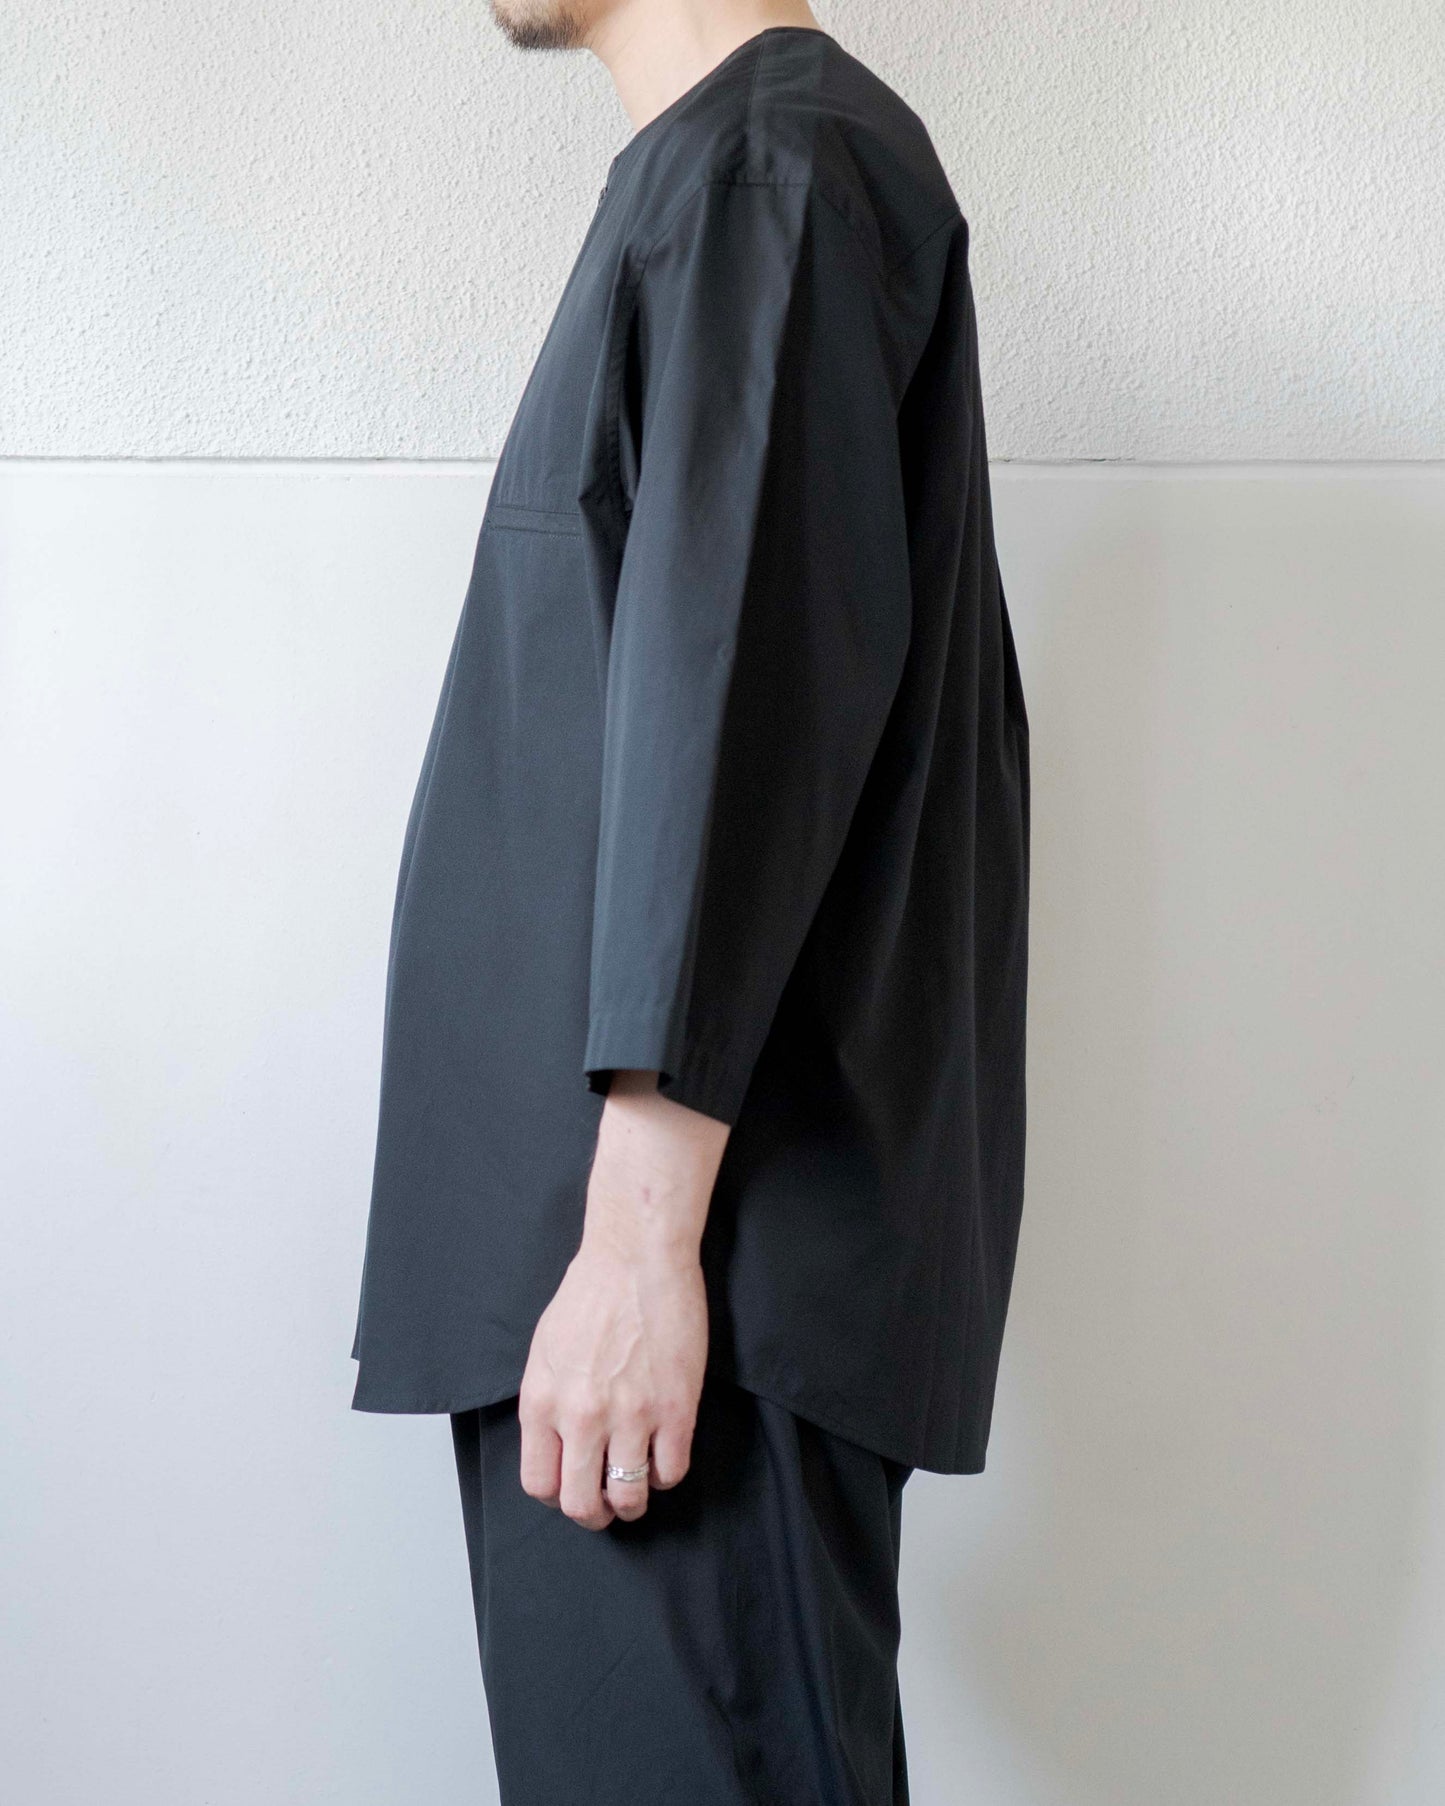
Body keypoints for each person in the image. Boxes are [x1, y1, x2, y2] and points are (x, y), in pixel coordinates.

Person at [348, 2, 1031, 1799]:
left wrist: (639, 1248)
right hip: (642, 1272)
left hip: (683, 1282)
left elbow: (739, 705)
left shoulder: (766, 171)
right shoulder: (728, 176)